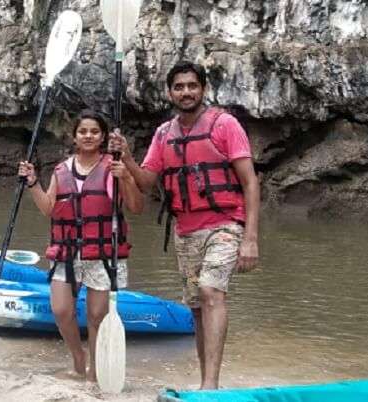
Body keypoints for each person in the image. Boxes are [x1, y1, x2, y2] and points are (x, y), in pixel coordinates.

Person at [109, 61, 260, 389]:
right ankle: (207, 382)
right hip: (186, 231)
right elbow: (148, 181)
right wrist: (128, 158)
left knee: (211, 291)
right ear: (169, 92)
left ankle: (210, 386)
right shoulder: (164, 134)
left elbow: (250, 182)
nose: (186, 92)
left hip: (226, 224)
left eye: (192, 85)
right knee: (195, 308)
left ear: (203, 89)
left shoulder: (225, 125)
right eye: (179, 87)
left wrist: (251, 238)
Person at [18, 110, 144, 381]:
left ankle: (95, 374)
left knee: (97, 316)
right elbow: (49, 209)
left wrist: (126, 178)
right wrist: (32, 183)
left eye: (94, 132)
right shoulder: (62, 169)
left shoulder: (114, 167)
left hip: (103, 253)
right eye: (83, 131)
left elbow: (136, 207)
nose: (88, 136)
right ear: (74, 136)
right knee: (62, 310)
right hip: (67, 251)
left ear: (103, 137)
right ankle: (79, 357)